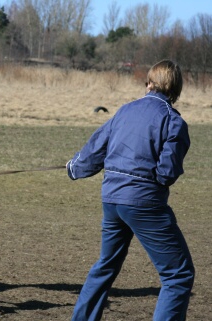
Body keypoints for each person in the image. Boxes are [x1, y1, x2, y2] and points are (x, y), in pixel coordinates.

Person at [66, 59, 195, 320]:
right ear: (175, 88)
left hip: (112, 201)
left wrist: (73, 168)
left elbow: (93, 152)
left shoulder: (124, 111)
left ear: (150, 83)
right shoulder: (174, 121)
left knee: (105, 266)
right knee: (178, 275)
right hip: (144, 203)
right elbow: (167, 173)